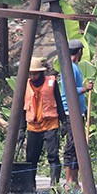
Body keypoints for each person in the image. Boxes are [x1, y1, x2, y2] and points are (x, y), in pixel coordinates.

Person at [21, 57, 65, 187]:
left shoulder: (51, 83)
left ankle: (54, 185)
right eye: (30, 74)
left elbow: (59, 103)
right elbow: (22, 109)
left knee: (53, 155)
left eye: (35, 73)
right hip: (33, 127)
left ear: (41, 73)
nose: (32, 76)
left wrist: (65, 123)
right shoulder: (25, 86)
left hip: (50, 125)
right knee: (31, 158)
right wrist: (21, 129)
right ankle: (30, 186)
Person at [60, 39, 93, 190]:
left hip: (78, 112)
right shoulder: (70, 68)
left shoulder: (74, 67)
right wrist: (85, 89)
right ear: (79, 52)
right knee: (72, 145)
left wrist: (85, 111)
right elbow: (70, 89)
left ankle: (75, 180)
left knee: (78, 146)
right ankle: (69, 181)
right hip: (70, 112)